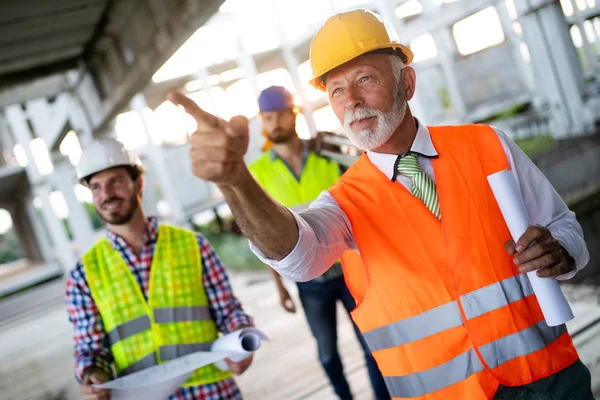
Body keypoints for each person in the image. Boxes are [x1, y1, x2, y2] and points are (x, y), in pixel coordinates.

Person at [168, 8, 593, 399]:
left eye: (365, 79)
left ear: (406, 83)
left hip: (552, 380)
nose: (350, 100)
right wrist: (235, 181)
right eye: (335, 90)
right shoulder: (343, 203)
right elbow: (297, 257)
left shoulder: (487, 144)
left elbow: (566, 229)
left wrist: (561, 249)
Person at [65, 138, 254, 400]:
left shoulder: (192, 245)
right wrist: (92, 374)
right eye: (96, 187)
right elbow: (90, 350)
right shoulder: (83, 275)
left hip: (211, 391)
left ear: (138, 183)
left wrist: (241, 339)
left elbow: (229, 312)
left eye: (115, 182)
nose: (106, 194)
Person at [248, 85, 390, 400]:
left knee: (372, 344)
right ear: (261, 121)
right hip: (309, 280)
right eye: (268, 118)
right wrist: (280, 286)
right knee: (327, 353)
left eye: (280, 115)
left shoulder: (328, 152)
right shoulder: (258, 174)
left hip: (352, 270)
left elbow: (367, 188)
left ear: (293, 114)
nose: (274, 124)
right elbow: (264, 236)